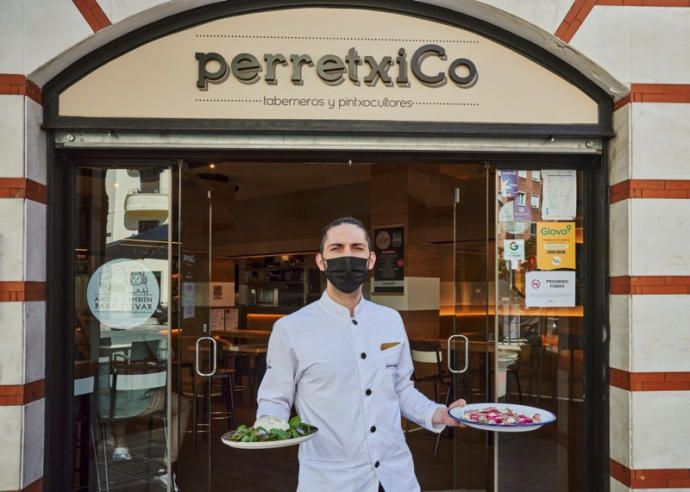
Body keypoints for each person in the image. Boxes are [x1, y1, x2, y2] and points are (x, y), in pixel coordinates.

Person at [256, 217, 466, 492]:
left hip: (395, 475)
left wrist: (438, 413)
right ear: (321, 261)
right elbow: (275, 398)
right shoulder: (290, 328)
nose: (347, 255)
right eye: (337, 248)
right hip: (331, 480)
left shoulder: (390, 320)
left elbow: (401, 389)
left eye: (356, 248)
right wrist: (267, 428)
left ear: (370, 260)